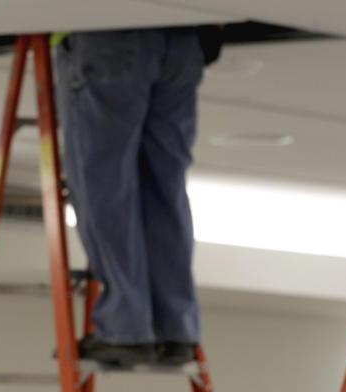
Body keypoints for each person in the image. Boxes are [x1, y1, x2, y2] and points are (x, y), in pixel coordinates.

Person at [55, 26, 223, 367]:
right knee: (165, 188)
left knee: (103, 183)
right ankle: (174, 329)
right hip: (183, 39)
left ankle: (125, 327)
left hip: (109, 33)